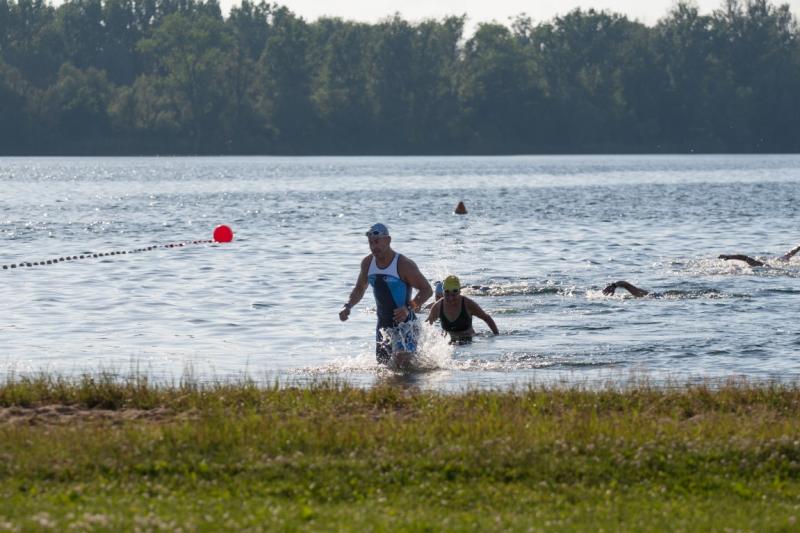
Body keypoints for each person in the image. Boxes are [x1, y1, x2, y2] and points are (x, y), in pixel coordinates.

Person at [339, 223, 433, 366]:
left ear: (388, 240)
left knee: (403, 362)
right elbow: (359, 289)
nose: (374, 246)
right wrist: (348, 306)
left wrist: (408, 308)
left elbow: (427, 290)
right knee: (383, 368)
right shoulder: (367, 263)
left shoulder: (403, 264)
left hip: (406, 325)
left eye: (377, 242)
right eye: (371, 243)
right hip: (383, 327)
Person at [426, 275, 499, 341]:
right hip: (448, 344)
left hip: (468, 342)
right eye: (447, 294)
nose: (451, 298)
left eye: (454, 294)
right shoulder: (438, 306)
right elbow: (427, 325)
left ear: (459, 292)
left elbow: (486, 318)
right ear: (443, 293)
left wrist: (496, 336)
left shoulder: (467, 304)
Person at [719, 243, 800, 267]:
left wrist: (729, 257)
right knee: (789, 255)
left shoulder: (762, 265)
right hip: (777, 262)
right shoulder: (782, 260)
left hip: (771, 263)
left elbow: (745, 258)